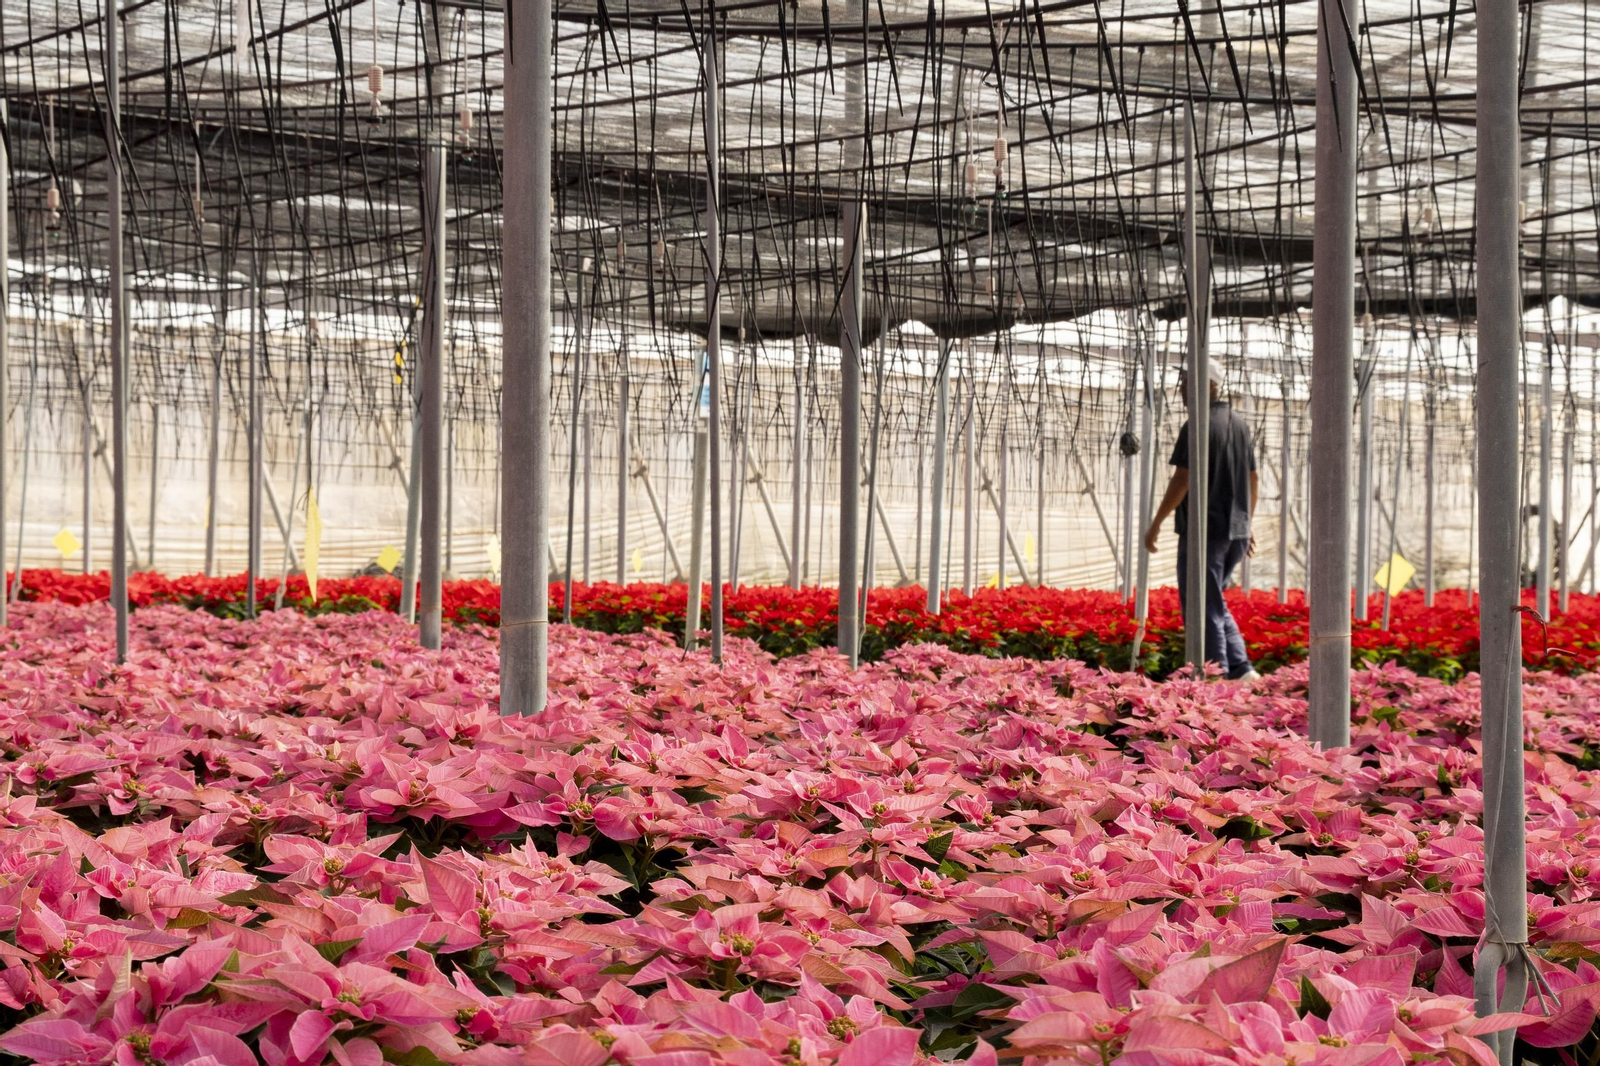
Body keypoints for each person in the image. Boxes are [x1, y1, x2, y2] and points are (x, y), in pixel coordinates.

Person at [1143, 359, 1260, 681]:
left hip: (1205, 531)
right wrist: (1247, 525)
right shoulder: (1239, 423)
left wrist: (1156, 523)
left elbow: (1183, 478)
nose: (1182, 389)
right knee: (1213, 598)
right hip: (1235, 531)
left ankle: (1215, 674)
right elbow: (1253, 479)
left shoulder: (1196, 424)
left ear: (1209, 385)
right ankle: (1240, 667)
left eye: (1188, 382)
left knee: (1200, 604)